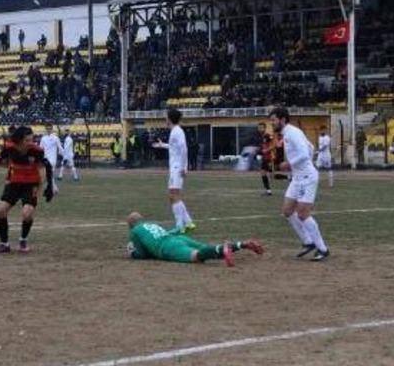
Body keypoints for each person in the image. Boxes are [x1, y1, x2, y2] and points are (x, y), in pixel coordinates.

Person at [0, 126, 55, 254]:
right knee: (1, 211)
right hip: (14, 183)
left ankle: (23, 240)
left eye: (31, 140)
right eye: (27, 140)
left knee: (27, 214)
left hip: (31, 185)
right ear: (19, 140)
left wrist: (50, 187)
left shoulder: (36, 150)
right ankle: (4, 244)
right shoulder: (10, 147)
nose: (30, 143)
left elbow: (46, 166)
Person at [269, 107, 329, 261]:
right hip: (297, 177)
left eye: (274, 120)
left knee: (302, 214)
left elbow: (303, 153)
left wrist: (289, 164)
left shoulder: (293, 133)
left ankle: (322, 249)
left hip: (307, 177)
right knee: (288, 211)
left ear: (282, 119)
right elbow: (311, 148)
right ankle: (308, 242)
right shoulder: (288, 133)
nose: (272, 123)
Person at [125, 212, 264, 267]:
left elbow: (141, 255)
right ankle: (242, 244)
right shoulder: (150, 224)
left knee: (197, 256)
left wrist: (133, 253)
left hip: (167, 247)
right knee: (206, 249)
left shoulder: (135, 231)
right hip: (178, 238)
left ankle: (225, 248)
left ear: (130, 225)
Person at [152, 109, 195, 232]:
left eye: (166, 117)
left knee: (173, 196)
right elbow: (174, 148)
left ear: (170, 119)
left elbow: (183, 149)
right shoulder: (175, 131)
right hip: (175, 167)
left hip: (177, 167)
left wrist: (183, 167)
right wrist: (162, 145)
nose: (165, 119)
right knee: (174, 195)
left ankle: (179, 225)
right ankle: (188, 222)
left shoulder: (177, 131)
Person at [257, 122, 274, 196]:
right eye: (259, 128)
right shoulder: (261, 137)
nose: (260, 129)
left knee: (270, 175)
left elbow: (274, 144)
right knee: (265, 173)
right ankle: (268, 191)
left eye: (261, 127)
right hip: (265, 157)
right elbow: (263, 147)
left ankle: (289, 177)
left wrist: (267, 150)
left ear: (265, 128)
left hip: (269, 157)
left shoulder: (267, 136)